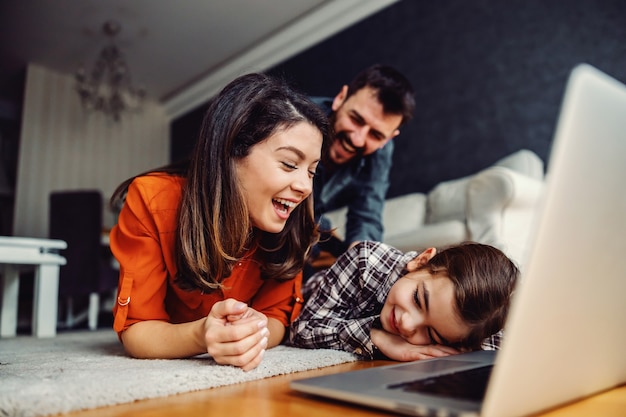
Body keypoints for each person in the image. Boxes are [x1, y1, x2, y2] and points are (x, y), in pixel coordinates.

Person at [108, 73, 330, 371]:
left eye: (311, 171)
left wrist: (252, 330)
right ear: (231, 152)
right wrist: (202, 335)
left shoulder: (295, 220)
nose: (304, 186)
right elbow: (137, 330)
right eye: (289, 164)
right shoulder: (151, 198)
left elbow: (277, 316)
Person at [289, 240, 519, 361]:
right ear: (421, 261)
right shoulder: (366, 260)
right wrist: (378, 338)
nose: (407, 325)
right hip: (306, 288)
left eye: (431, 334)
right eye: (418, 300)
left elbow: (499, 349)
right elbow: (302, 329)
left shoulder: (469, 325)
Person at [308, 64, 416, 272]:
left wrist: (361, 264)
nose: (358, 140)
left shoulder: (381, 152)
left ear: (388, 139)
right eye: (356, 120)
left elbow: (367, 215)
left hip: (314, 223)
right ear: (341, 98)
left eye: (375, 135)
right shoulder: (297, 119)